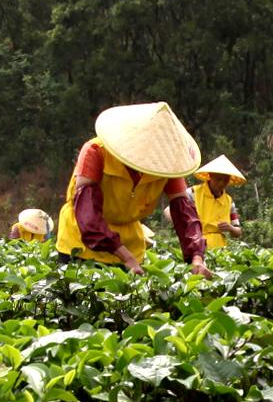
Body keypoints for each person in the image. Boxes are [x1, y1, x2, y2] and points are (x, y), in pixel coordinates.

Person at [60, 104, 214, 278]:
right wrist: (125, 256)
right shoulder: (96, 152)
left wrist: (197, 257)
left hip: (130, 242)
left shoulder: (169, 164)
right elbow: (88, 214)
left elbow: (183, 212)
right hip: (80, 243)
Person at [193, 155, 248, 251]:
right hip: (196, 244)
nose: (221, 183)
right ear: (210, 176)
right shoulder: (193, 192)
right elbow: (169, 211)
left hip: (219, 249)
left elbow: (238, 231)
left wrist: (230, 228)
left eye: (225, 180)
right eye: (218, 179)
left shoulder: (229, 201)